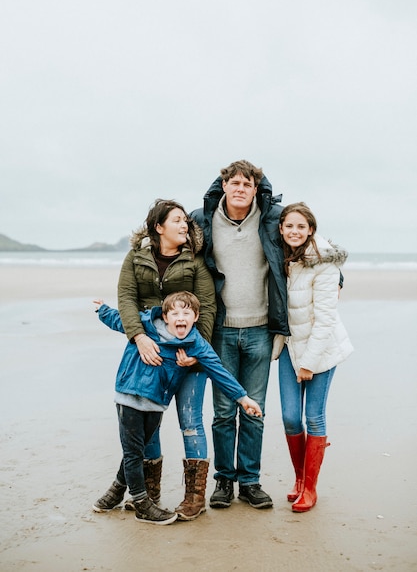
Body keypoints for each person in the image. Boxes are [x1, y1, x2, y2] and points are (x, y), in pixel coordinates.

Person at [93, 291, 263, 525]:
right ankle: (142, 503)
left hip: (155, 404)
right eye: (175, 313)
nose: (180, 317)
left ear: (196, 317)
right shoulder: (146, 325)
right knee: (134, 452)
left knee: (138, 448)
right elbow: (119, 320)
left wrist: (243, 398)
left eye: (186, 313)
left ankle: (114, 492)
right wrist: (103, 309)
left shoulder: (196, 345)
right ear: (165, 316)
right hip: (128, 396)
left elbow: (219, 371)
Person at [95, 199, 217, 520]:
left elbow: (207, 305)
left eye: (186, 222)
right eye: (177, 220)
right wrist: (139, 336)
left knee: (191, 421)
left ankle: (194, 498)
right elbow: (126, 299)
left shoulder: (195, 261)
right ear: (159, 227)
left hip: (187, 356)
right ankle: (147, 494)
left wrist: (194, 350)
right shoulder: (136, 258)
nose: (185, 226)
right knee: (149, 424)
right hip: (148, 353)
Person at [191, 160, 290, 510]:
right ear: (224, 185)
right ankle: (223, 481)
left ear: (255, 188)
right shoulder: (201, 219)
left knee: (254, 409)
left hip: (261, 329)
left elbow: (305, 240)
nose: (240, 189)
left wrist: (335, 275)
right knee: (222, 411)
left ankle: (250, 481)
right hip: (220, 330)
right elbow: (171, 249)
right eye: (234, 182)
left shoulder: (272, 217)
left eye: (247, 184)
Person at [274, 202, 353, 512]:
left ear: (311, 231)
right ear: (280, 229)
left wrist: (309, 363)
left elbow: (326, 319)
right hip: (289, 347)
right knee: (290, 416)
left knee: (313, 417)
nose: (295, 231)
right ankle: (298, 478)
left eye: (301, 227)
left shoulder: (324, 264)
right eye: (289, 226)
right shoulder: (280, 258)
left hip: (321, 349)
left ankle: (310, 487)